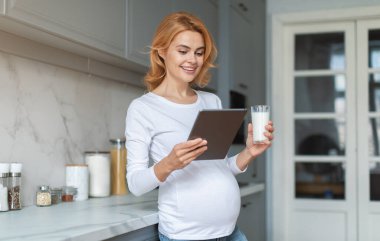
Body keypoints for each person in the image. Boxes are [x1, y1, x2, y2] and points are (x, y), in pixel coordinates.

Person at [125, 11, 274, 241]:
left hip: (231, 233)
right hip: (186, 236)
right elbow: (135, 184)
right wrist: (169, 163)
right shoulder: (143, 108)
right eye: (183, 51)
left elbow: (219, 167)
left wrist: (249, 153)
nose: (192, 60)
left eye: (199, 52)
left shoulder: (211, 101)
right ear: (162, 51)